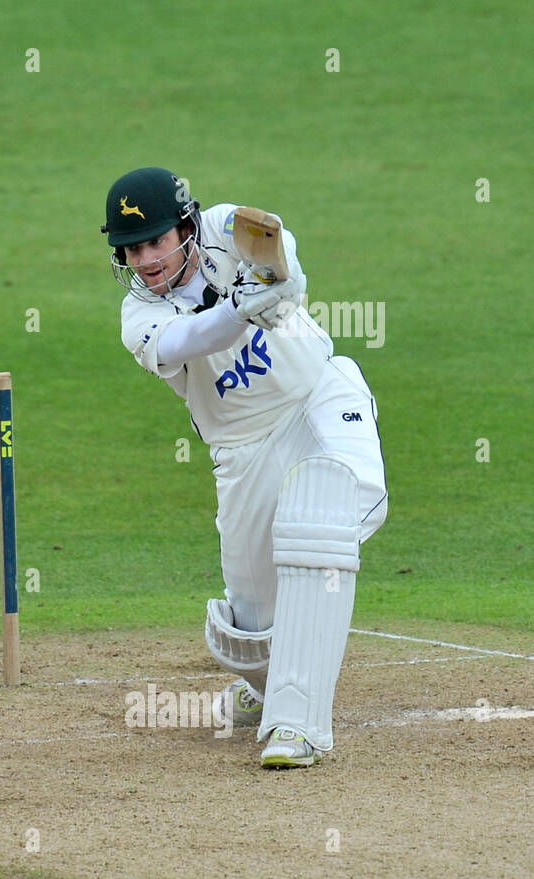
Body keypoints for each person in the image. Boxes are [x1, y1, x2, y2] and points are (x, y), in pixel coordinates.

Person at [102, 166, 387, 768]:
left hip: (315, 394)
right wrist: (240, 307)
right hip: (242, 449)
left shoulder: (221, 227)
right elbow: (188, 342)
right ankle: (264, 691)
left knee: (321, 528)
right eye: (132, 247)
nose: (145, 258)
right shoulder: (137, 315)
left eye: (156, 240)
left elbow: (265, 230)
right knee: (251, 626)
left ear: (184, 227)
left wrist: (285, 271)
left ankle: (297, 726)